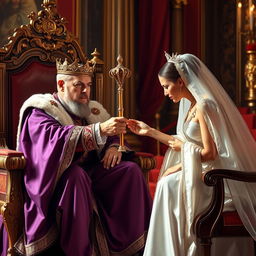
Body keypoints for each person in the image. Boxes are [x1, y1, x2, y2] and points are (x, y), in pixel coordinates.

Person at [0, 58, 152, 256]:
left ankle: (134, 250)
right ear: (61, 84)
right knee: (76, 176)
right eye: (79, 85)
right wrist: (99, 130)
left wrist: (114, 147)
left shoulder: (92, 110)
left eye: (88, 85)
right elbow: (53, 141)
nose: (85, 92)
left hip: (91, 173)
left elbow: (112, 136)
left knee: (129, 171)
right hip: (54, 183)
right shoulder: (41, 110)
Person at [127, 53, 256, 256]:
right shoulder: (191, 106)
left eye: (166, 86)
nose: (165, 93)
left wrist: (179, 166)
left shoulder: (205, 106)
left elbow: (210, 152)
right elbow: (183, 144)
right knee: (166, 183)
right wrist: (149, 131)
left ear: (181, 81)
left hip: (215, 179)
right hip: (202, 172)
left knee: (167, 184)